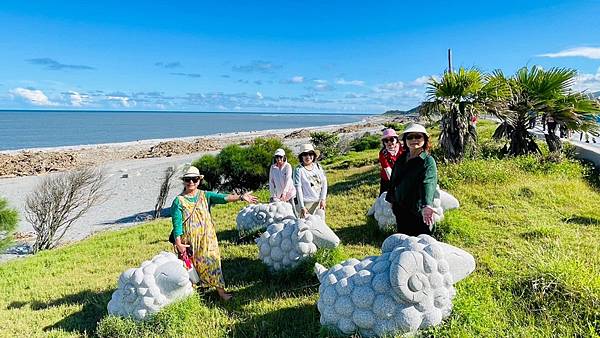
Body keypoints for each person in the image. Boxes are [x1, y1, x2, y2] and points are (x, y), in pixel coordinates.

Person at [171, 166, 257, 301]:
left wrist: (241, 197)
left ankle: (221, 292)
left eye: (194, 179)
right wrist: (178, 243)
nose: (191, 182)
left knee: (213, 261)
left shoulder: (205, 195)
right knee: (191, 267)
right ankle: (194, 296)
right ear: (184, 181)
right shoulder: (178, 201)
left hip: (208, 238)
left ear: (199, 180)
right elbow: (177, 223)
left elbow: (224, 198)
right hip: (189, 242)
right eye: (188, 179)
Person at [385, 123, 438, 236]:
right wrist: (390, 198)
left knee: (420, 240)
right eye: (410, 137)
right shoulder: (402, 158)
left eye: (418, 136)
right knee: (403, 238)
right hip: (400, 206)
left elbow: (428, 182)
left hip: (418, 210)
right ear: (405, 140)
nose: (414, 139)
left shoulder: (427, 161)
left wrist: (427, 205)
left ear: (424, 139)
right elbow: (393, 179)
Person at [294, 144, 328, 220]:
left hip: (318, 202)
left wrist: (323, 199)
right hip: (306, 204)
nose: (308, 157)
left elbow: (324, 183)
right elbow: (298, 189)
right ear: (301, 156)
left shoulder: (318, 166)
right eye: (305, 154)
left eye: (310, 154)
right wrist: (302, 206)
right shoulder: (298, 170)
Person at [378, 129, 403, 196]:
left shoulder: (403, 149)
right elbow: (387, 169)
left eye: (391, 139)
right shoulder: (383, 153)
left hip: (403, 175)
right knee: (385, 197)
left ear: (396, 140)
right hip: (387, 179)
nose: (389, 142)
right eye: (386, 140)